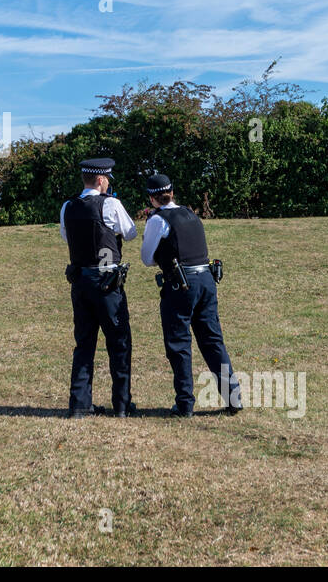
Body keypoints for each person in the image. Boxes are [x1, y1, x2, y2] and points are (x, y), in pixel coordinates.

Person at [139, 173, 241, 417]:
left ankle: (184, 403)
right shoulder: (189, 213)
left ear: (152, 198)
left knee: (179, 345)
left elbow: (146, 259)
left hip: (181, 284)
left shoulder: (157, 220)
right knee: (213, 341)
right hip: (206, 278)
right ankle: (233, 397)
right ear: (172, 192)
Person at [59, 157, 138, 418]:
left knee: (84, 343)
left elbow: (65, 235)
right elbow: (130, 232)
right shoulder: (111, 204)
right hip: (107, 283)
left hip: (80, 281)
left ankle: (80, 405)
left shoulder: (68, 206)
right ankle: (122, 405)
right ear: (102, 180)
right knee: (118, 342)